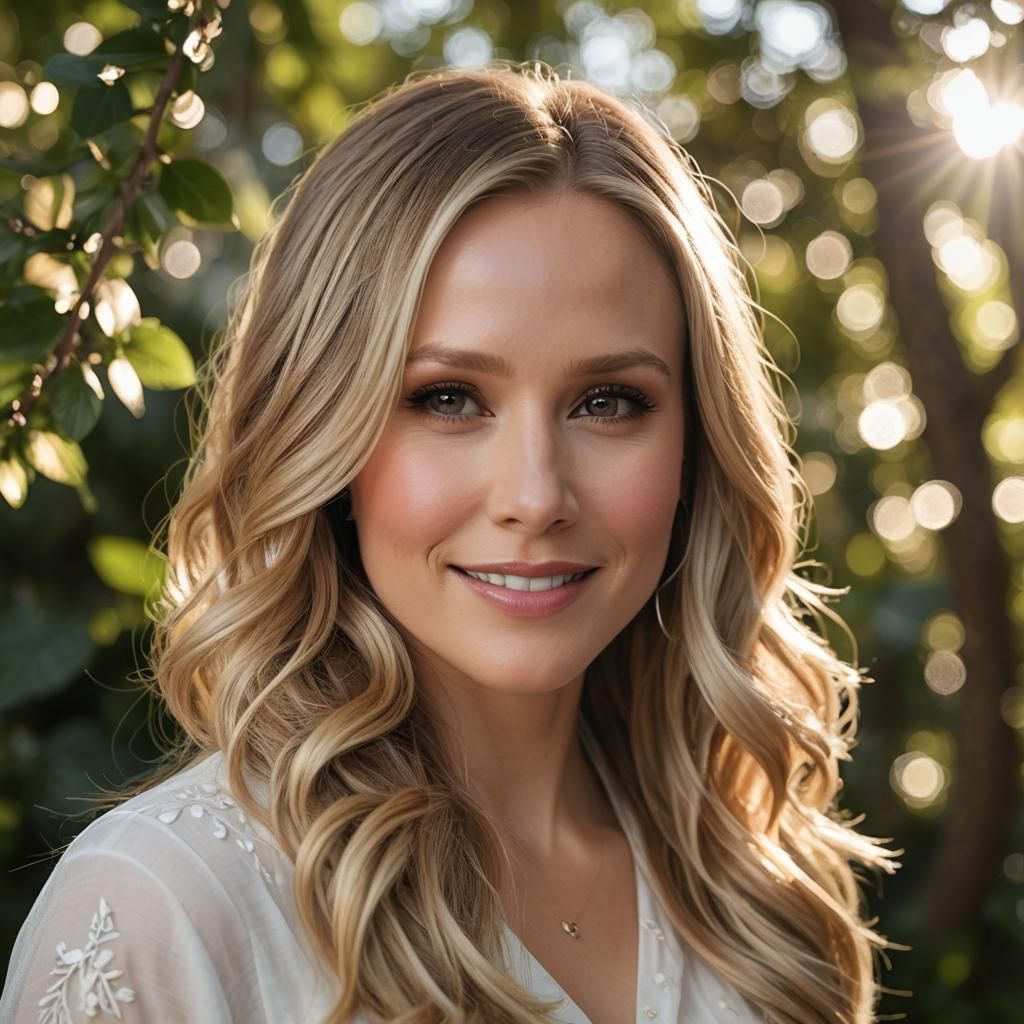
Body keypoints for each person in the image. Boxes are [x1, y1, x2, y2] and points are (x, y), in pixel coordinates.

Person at [1, 61, 902, 1024]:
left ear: (697, 444)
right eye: (446, 398)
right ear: (323, 434)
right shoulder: (169, 907)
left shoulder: (755, 891)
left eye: (609, 402)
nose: (534, 496)